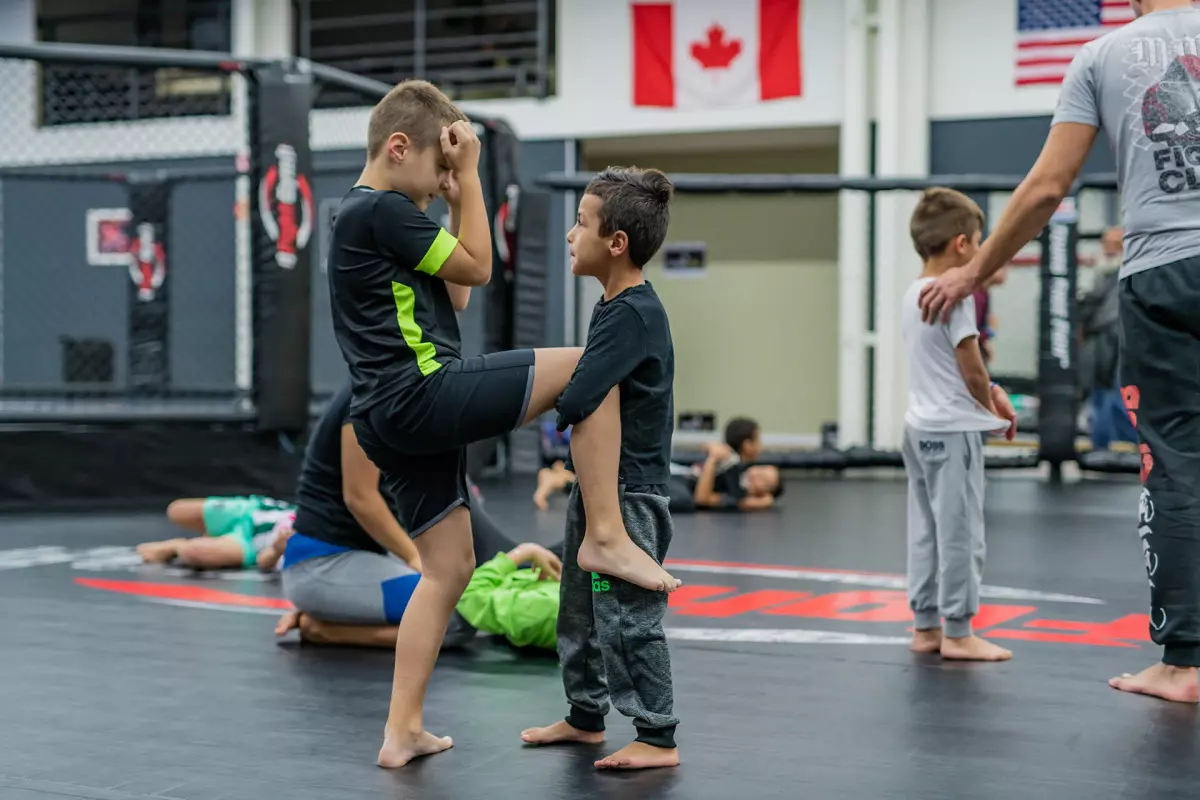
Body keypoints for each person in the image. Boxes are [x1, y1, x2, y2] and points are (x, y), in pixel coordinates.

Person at [326, 81, 677, 767]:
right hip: (422, 394)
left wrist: (456, 194)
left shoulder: (375, 219)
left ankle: (402, 731)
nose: (438, 189)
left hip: (385, 421)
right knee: (588, 365)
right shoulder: (382, 211)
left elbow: (454, 292)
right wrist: (476, 176)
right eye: (436, 173)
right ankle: (606, 534)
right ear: (399, 148)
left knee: (448, 568)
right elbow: (482, 268)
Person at [917, 0, 1200, 703]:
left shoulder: (1102, 56)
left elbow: (1048, 187)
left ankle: (1185, 664)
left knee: (1176, 460)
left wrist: (972, 273)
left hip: (1163, 270)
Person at [521, 167, 681, 771]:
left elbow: (581, 395)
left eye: (582, 223)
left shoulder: (633, 313)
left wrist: (520, 399)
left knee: (627, 616)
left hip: (630, 491)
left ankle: (657, 734)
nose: (569, 234)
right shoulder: (614, 306)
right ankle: (586, 715)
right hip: (599, 488)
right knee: (579, 608)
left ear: (616, 243)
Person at [272, 381, 563, 651]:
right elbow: (360, 498)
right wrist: (417, 560)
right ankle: (325, 629)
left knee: (466, 593)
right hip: (323, 565)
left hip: (362, 563)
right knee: (454, 615)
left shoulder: (407, 399)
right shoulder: (369, 393)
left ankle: (340, 609)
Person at [902, 188, 1020, 663]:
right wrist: (993, 406)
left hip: (917, 428)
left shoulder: (911, 291)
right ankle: (958, 632)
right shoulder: (956, 295)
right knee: (961, 533)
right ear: (962, 245)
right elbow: (971, 369)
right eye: (979, 239)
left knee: (925, 530)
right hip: (952, 432)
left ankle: (925, 626)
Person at [533, 416, 784, 513]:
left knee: (631, 488)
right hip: (680, 476)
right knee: (625, 475)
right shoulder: (737, 466)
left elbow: (703, 498)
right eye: (761, 470)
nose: (758, 474)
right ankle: (564, 478)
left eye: (765, 481)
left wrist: (712, 461)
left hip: (683, 485)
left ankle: (563, 480)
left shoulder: (738, 496)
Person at [1079, 226, 1137, 450]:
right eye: (1107, 243)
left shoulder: (1124, 272)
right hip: (1102, 339)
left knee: (1119, 393)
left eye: (1116, 243)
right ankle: (1104, 443)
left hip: (1120, 339)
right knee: (1101, 393)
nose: (1110, 248)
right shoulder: (1100, 273)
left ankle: (1124, 443)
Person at [136, 494, 295, 571]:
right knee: (176, 510)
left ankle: (177, 546)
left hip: (249, 542)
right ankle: (214, 536)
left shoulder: (314, 548)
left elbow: (264, 561)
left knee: (193, 552)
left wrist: (276, 550)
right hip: (253, 509)